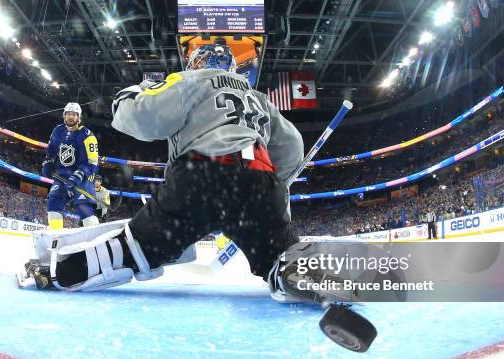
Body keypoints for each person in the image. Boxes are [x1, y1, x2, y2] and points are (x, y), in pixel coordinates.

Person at [20, 44, 335, 303]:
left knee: (135, 250)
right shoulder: (259, 98)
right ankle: (306, 273)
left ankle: (59, 270)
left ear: (198, 61)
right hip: (259, 180)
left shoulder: (192, 80)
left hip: (201, 178)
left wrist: (127, 97)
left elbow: (145, 118)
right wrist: (266, 187)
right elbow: (292, 146)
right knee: (278, 255)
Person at [41, 102, 100, 229]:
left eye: (74, 114)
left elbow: (92, 163)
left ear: (79, 117)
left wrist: (78, 175)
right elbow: (50, 150)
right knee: (53, 204)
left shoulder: (88, 136)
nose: (71, 117)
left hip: (83, 178)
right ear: (64, 116)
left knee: (84, 209)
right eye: (68, 114)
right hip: (62, 176)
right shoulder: (57, 131)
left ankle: (95, 240)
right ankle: (56, 236)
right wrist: (48, 162)